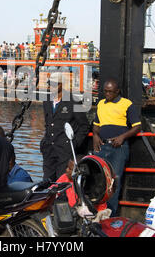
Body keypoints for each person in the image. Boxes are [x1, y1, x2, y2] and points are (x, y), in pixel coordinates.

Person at [92, 78, 141, 216]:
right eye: (105, 91)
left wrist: (122, 137)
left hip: (118, 148)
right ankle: (96, 211)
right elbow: (96, 124)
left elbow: (137, 126)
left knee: (114, 181)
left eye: (110, 92)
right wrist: (95, 135)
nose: (107, 94)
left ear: (117, 91)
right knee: (98, 179)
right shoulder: (101, 104)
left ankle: (110, 214)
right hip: (102, 146)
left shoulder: (127, 104)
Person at [40, 75, 89, 182]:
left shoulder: (74, 101)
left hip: (65, 151)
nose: (51, 86)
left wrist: (74, 143)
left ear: (61, 84)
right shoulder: (47, 101)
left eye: (54, 84)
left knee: (62, 181)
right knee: (46, 181)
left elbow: (84, 126)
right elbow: (48, 124)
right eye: (50, 84)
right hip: (49, 149)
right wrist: (44, 142)